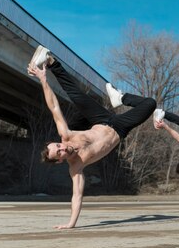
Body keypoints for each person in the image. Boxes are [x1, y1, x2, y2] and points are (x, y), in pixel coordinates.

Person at [27, 46, 156, 229]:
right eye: (60, 153)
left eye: (58, 146)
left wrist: (43, 79)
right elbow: (77, 195)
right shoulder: (76, 167)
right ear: (59, 161)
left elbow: (54, 107)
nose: (63, 148)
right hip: (120, 130)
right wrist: (71, 223)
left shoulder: (67, 136)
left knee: (77, 97)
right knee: (150, 103)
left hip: (101, 120)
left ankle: (50, 61)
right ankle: (121, 98)